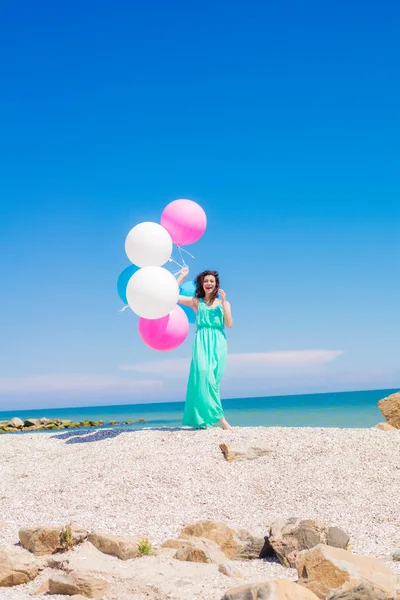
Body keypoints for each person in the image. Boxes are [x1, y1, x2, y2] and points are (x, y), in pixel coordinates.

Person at [176, 266, 233, 430]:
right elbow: (172, 296)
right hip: (201, 341)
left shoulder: (224, 303)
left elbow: (229, 324)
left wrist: (223, 304)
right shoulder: (196, 302)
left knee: (213, 381)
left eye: (212, 281)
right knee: (203, 376)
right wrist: (181, 276)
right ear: (201, 284)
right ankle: (220, 420)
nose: (209, 283)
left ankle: (206, 418)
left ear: (216, 284)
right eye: (206, 281)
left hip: (219, 343)